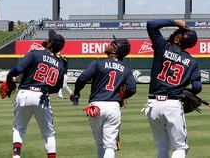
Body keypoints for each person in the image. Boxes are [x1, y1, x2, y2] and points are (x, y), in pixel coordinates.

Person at [70, 36, 137, 158]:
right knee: (110, 146)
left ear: (114, 50)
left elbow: (82, 78)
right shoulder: (126, 69)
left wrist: (76, 93)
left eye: (112, 43)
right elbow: (132, 89)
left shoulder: (98, 63)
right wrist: (121, 97)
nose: (108, 44)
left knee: (100, 143)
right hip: (113, 106)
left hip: (95, 107)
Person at [5, 30, 67, 158]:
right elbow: (56, 88)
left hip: (25, 94)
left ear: (50, 44)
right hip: (42, 97)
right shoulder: (60, 64)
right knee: (48, 134)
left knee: (19, 128)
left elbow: (18, 69)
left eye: (49, 38)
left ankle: (16, 156)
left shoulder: (34, 53)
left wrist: (9, 77)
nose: (47, 39)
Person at [144, 19, 202, 158]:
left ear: (177, 40)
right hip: (173, 105)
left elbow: (151, 25)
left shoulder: (162, 47)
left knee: (162, 147)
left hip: (153, 105)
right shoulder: (193, 62)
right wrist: (187, 91)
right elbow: (197, 87)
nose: (173, 33)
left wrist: (176, 22)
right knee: (179, 148)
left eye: (176, 33)